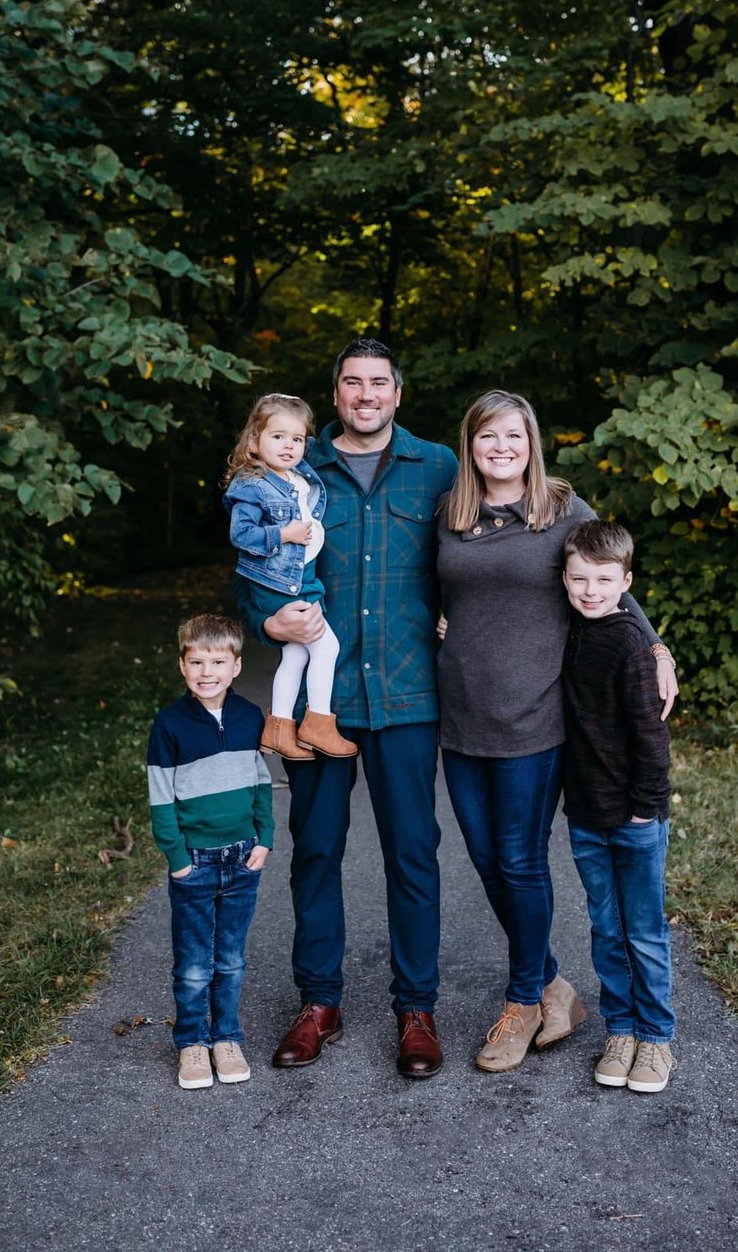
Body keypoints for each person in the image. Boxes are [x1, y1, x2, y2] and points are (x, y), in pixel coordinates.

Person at [435, 390, 676, 1073]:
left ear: (532, 441)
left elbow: (613, 584)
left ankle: (524, 1000)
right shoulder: (451, 513)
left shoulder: (563, 509)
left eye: (514, 435)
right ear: (471, 444)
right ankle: (551, 983)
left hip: (536, 718)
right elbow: (439, 592)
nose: (501, 447)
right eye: (488, 436)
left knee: (519, 859)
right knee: (485, 859)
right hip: (463, 717)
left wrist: (656, 650)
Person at [235, 338, 458, 1078]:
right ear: (336, 395)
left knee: (414, 853)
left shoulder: (439, 467)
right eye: (352, 383)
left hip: (406, 693)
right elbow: (253, 564)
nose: (366, 394)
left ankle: (416, 1008)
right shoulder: (294, 465)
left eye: (379, 383)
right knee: (318, 847)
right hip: (319, 706)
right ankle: (319, 1002)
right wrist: (265, 621)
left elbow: (534, 527)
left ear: (398, 391)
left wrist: (647, 637)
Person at [561, 519, 676, 1093]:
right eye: (579, 578)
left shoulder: (631, 644)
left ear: (625, 581)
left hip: (634, 817)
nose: (590, 590)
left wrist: (645, 809)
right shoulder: (572, 629)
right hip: (585, 814)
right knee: (606, 930)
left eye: (604, 580)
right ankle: (621, 1029)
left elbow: (651, 737)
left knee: (644, 932)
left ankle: (656, 1039)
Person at [146, 614, 274, 1090]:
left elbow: (262, 782)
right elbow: (161, 798)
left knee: (232, 959)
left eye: (218, 662)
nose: (207, 672)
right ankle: (192, 1044)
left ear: (236, 666)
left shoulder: (248, 718)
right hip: (194, 863)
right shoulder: (170, 724)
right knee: (195, 963)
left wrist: (265, 837)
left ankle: (226, 1037)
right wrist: (176, 856)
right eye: (197, 661)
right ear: (182, 665)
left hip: (243, 857)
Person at [223, 392, 357, 761]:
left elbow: (311, 449)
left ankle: (279, 728)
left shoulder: (296, 475)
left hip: (300, 577)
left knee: (297, 654)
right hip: (280, 583)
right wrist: (286, 534)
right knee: (326, 648)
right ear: (254, 441)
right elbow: (242, 535)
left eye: (297, 439)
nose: (289, 445)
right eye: (277, 436)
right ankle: (318, 723)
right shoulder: (253, 484)